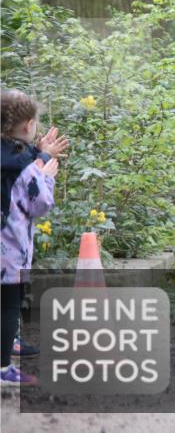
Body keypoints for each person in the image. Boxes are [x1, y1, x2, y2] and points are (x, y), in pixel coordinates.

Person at [1, 89, 67, 385]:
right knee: (8, 308)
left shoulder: (16, 157)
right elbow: (39, 204)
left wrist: (39, 156)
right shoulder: (28, 166)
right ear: (28, 125)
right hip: (9, 251)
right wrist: (47, 174)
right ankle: (3, 370)